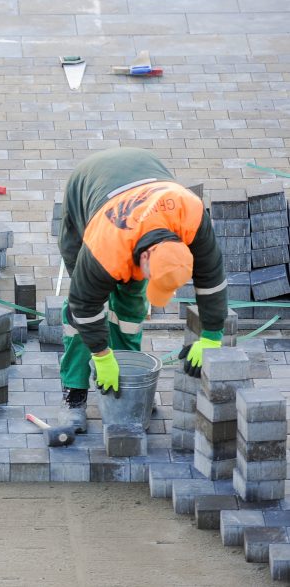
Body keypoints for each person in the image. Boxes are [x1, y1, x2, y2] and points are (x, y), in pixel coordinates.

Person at [57, 147, 227, 432]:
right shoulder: (105, 247)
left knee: (130, 310)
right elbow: (83, 305)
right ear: (146, 257)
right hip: (88, 188)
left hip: (146, 175)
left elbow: (212, 280)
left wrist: (211, 335)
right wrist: (101, 355)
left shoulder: (193, 216)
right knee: (84, 315)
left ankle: (128, 381)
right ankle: (74, 394)